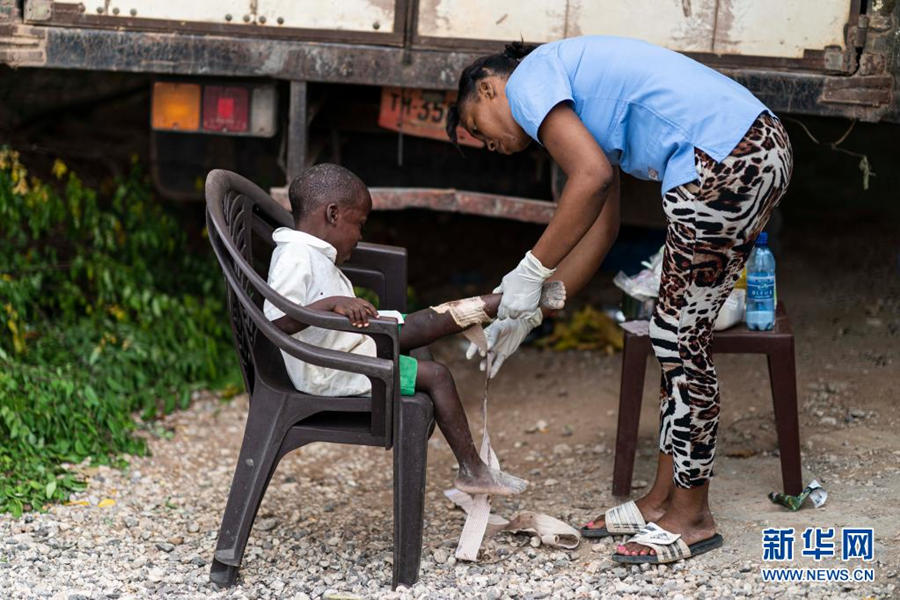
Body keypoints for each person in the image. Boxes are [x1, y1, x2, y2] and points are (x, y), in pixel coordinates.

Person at [447, 35, 792, 563]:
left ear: (491, 88)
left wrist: (528, 269)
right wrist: (534, 307)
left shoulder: (532, 79)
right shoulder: (570, 102)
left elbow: (593, 177)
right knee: (675, 333)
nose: (490, 144)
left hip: (726, 157)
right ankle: (661, 500)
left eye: (479, 128)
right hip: (747, 148)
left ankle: (693, 515)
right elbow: (599, 228)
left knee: (679, 337)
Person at [263, 163, 566, 497]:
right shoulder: (294, 256)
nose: (360, 236)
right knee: (436, 376)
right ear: (333, 214)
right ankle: (472, 470)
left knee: (421, 325)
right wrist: (332, 303)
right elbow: (277, 323)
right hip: (328, 369)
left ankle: (501, 302)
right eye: (359, 224)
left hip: (343, 347)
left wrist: (335, 306)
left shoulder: (311, 252)